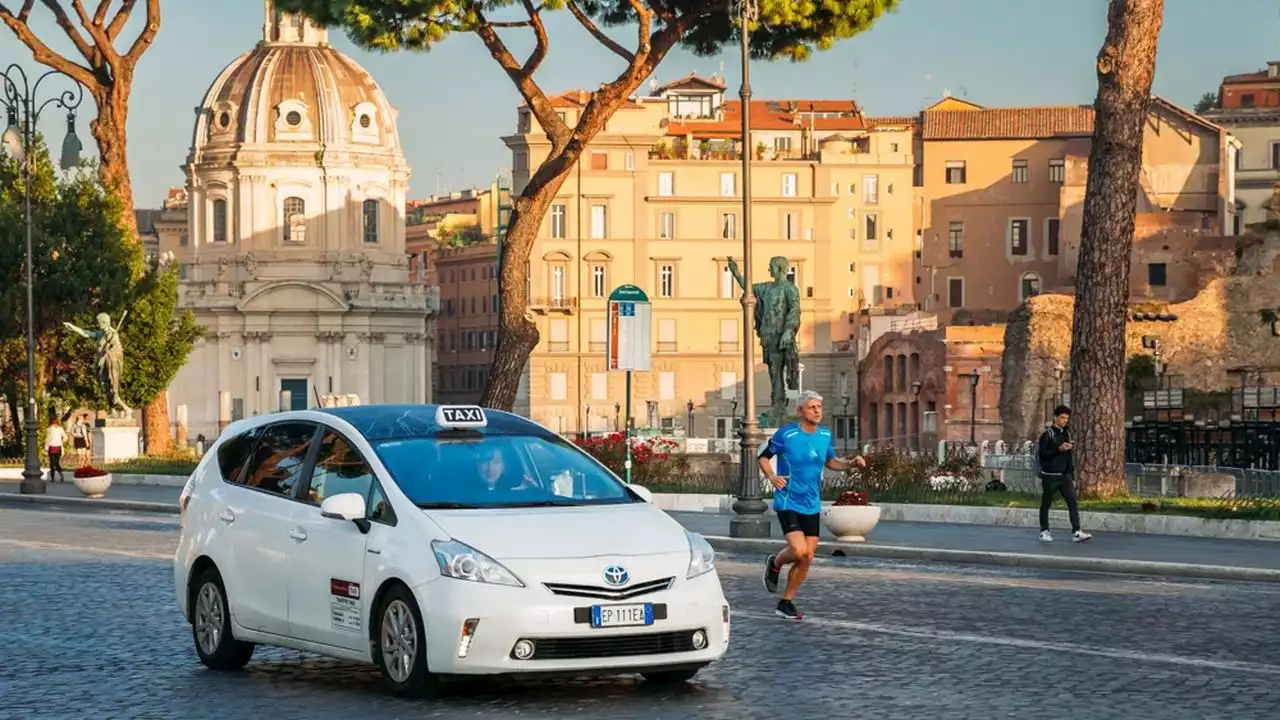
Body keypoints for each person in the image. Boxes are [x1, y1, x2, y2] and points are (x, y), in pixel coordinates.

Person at [760, 390, 866, 620]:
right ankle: (776, 562)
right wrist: (771, 476)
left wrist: (851, 464)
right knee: (798, 550)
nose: (818, 411)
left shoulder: (825, 434)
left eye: (820, 406)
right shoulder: (787, 434)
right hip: (788, 499)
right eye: (812, 407)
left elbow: (831, 462)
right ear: (800, 411)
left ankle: (786, 602)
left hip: (811, 502)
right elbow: (763, 456)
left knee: (807, 557)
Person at [1037, 405, 1092, 543]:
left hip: (1064, 475)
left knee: (1073, 502)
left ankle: (1077, 531)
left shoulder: (1066, 434)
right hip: (1050, 475)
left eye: (1067, 418)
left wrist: (1071, 476)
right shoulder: (1047, 435)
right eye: (1062, 417)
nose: (1064, 421)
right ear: (1055, 417)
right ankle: (1044, 531)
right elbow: (1043, 455)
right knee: (1046, 503)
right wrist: (1058, 449)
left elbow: (1068, 458)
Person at [46, 419, 68, 483]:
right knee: (56, 462)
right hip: (58, 447)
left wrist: (46, 448)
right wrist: (61, 442)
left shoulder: (49, 429)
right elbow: (66, 437)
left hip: (51, 447)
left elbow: (47, 440)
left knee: (52, 463)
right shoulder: (60, 429)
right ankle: (60, 474)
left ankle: (53, 478)